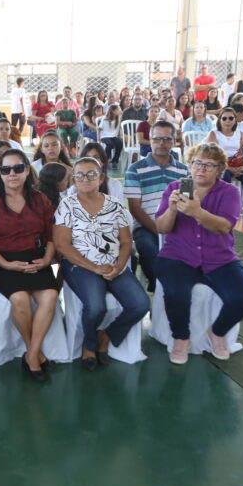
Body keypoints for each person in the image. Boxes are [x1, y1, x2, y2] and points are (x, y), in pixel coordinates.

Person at [153, 142, 243, 363]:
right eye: (197, 163)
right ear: (190, 165)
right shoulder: (174, 188)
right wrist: (172, 210)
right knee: (176, 294)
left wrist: (196, 211)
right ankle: (181, 338)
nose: (201, 169)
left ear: (220, 170)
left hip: (219, 258)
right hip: (177, 256)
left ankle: (217, 332)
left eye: (209, 165)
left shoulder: (229, 192)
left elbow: (223, 227)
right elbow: (161, 228)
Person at [55, 157, 149, 370]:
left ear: (101, 178)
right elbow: (62, 245)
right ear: (73, 180)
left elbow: (126, 241)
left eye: (91, 174)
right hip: (80, 266)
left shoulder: (114, 205)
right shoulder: (67, 205)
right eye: (79, 175)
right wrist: (95, 267)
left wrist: (119, 266)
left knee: (140, 304)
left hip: (113, 265)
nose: (85, 178)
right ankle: (89, 345)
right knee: (96, 307)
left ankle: (106, 336)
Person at [0, 148, 58, 381]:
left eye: (18, 168)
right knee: (20, 298)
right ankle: (34, 354)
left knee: (50, 295)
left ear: (27, 171)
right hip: (2, 261)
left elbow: (51, 236)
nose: (12, 174)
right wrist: (7, 265)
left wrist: (47, 259)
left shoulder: (40, 200)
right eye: (6, 169)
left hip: (36, 258)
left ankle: (31, 353)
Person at [124, 120, 189, 292]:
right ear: (150, 140)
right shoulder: (135, 169)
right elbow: (134, 208)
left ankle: (170, 286)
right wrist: (158, 229)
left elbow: (187, 203)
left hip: (177, 225)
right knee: (147, 248)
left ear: (174, 141)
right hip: (146, 226)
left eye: (167, 139)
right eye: (157, 138)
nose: (161, 143)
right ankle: (162, 287)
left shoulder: (184, 171)